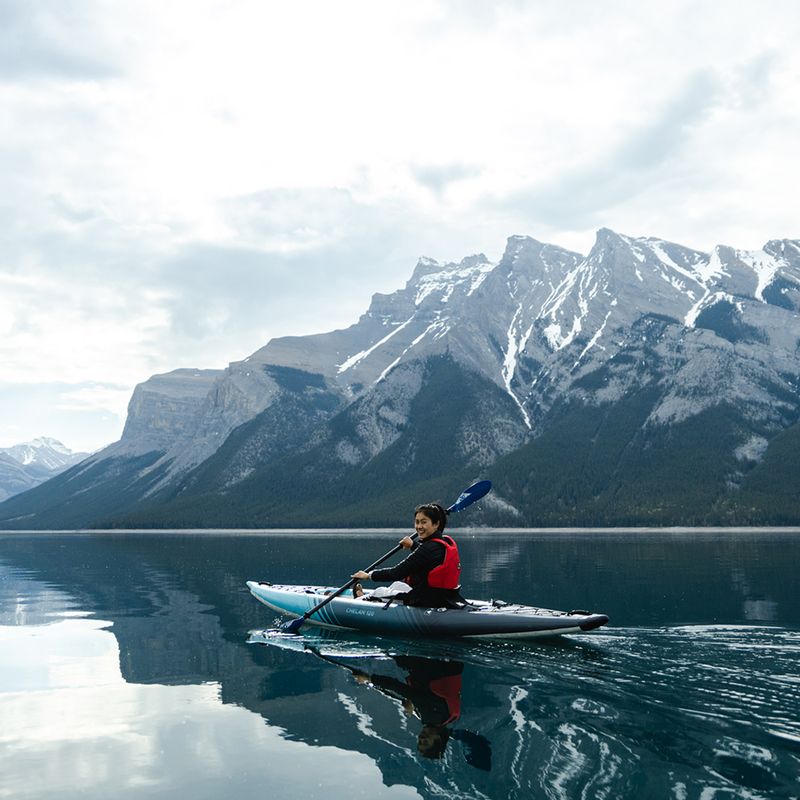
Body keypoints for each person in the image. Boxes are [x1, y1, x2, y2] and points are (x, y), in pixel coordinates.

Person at [351, 502, 466, 608]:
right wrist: (413, 545)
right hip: (444, 596)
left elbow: (396, 573)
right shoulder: (443, 542)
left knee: (379, 591)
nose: (419, 526)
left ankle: (360, 598)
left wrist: (368, 575)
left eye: (424, 522)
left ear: (436, 524)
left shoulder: (428, 548)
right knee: (397, 585)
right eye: (417, 522)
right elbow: (428, 558)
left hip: (426, 600)